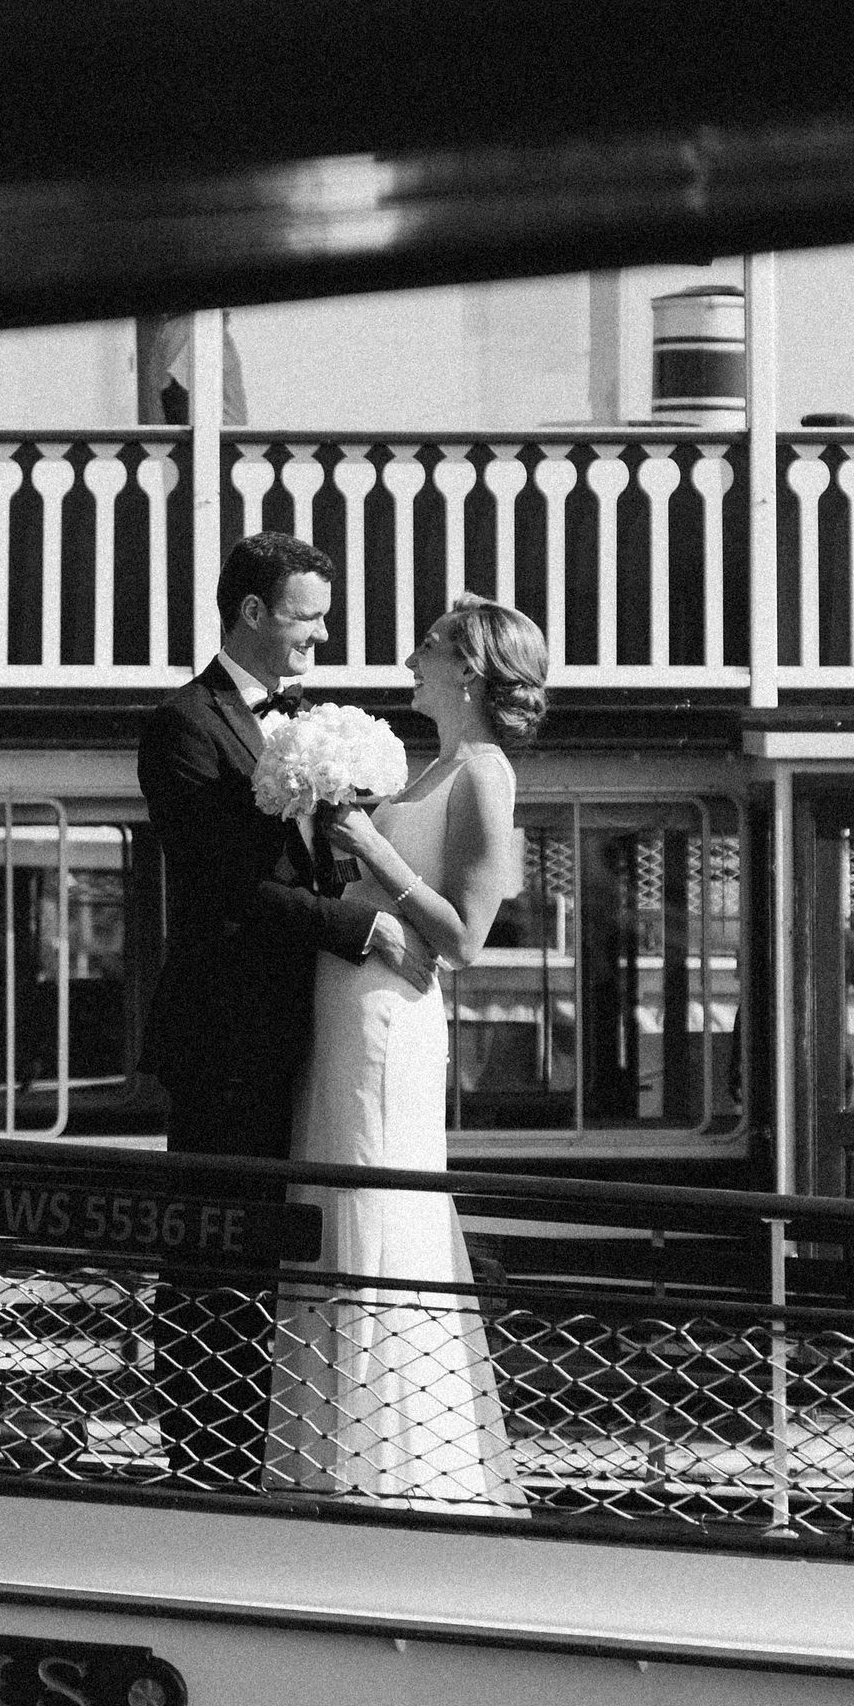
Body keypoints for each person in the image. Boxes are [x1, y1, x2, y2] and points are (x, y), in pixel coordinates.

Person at [136, 532, 429, 1489]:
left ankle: (273, 1446)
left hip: (311, 1029)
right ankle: (203, 1459)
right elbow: (224, 885)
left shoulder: (307, 723)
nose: (321, 635)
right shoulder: (183, 725)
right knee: (216, 1253)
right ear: (253, 612)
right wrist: (358, 928)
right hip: (226, 1035)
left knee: (285, 1253)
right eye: (308, 616)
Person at [270, 593, 543, 1510]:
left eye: (429, 645)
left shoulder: (486, 775)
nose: (411, 658)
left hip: (393, 1018)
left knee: (374, 1199)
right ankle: (324, 1454)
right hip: (348, 1005)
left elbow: (465, 938)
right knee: (330, 1194)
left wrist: (370, 848)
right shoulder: (433, 768)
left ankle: (393, 1467)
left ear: (467, 669)